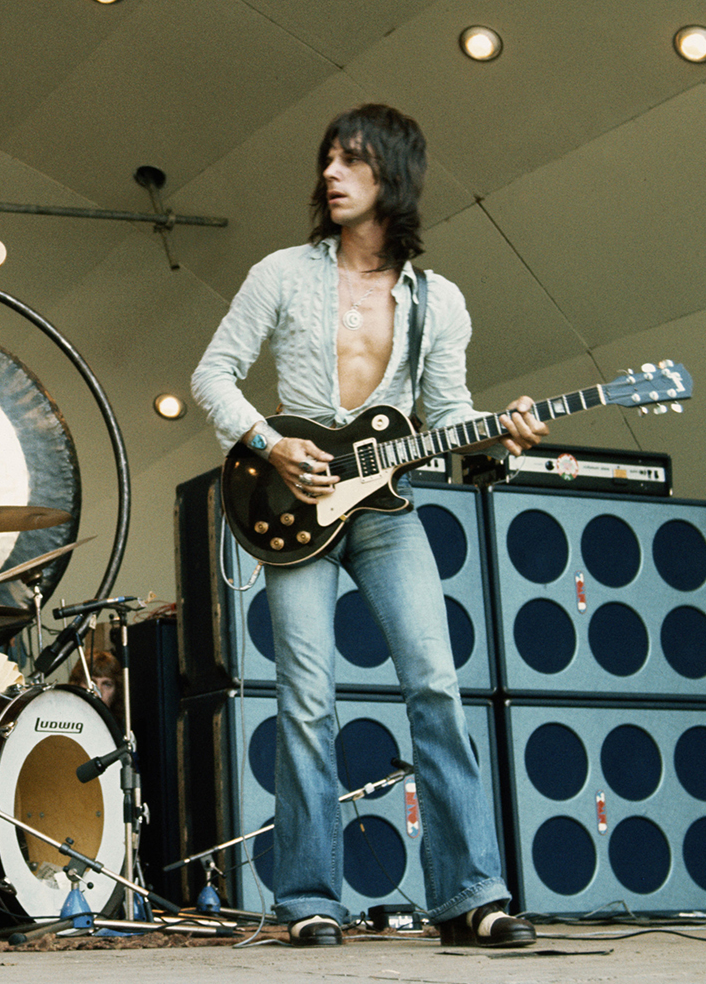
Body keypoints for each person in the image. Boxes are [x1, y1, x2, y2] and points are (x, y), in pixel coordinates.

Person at [190, 104, 542, 949]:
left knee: (437, 681)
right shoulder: (282, 272)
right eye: (328, 160)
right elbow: (213, 376)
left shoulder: (439, 300)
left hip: (385, 509)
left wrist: (499, 428)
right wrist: (274, 448)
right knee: (307, 696)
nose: (332, 174)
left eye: (352, 161)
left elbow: (448, 413)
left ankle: (470, 895)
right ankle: (311, 895)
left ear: (394, 174)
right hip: (293, 504)